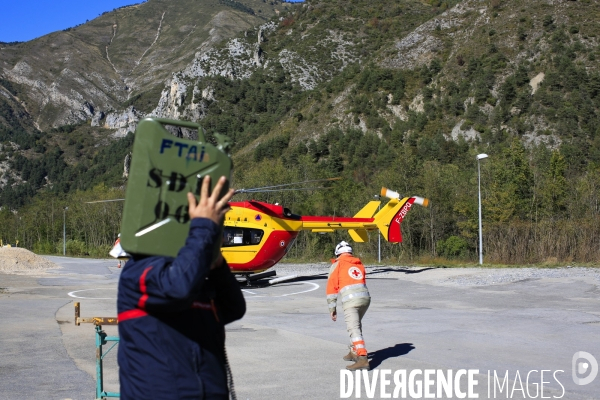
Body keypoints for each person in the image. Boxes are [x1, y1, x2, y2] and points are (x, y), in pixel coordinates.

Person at [117, 176, 245, 399]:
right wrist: (204, 230)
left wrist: (217, 266)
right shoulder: (139, 271)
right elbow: (177, 289)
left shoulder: (195, 278)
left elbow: (234, 308)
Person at [326, 241, 371, 371]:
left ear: (337, 253)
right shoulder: (358, 263)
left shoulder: (337, 264)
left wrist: (332, 309)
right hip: (365, 299)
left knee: (353, 329)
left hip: (351, 301)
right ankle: (354, 351)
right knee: (356, 325)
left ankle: (362, 358)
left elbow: (331, 289)